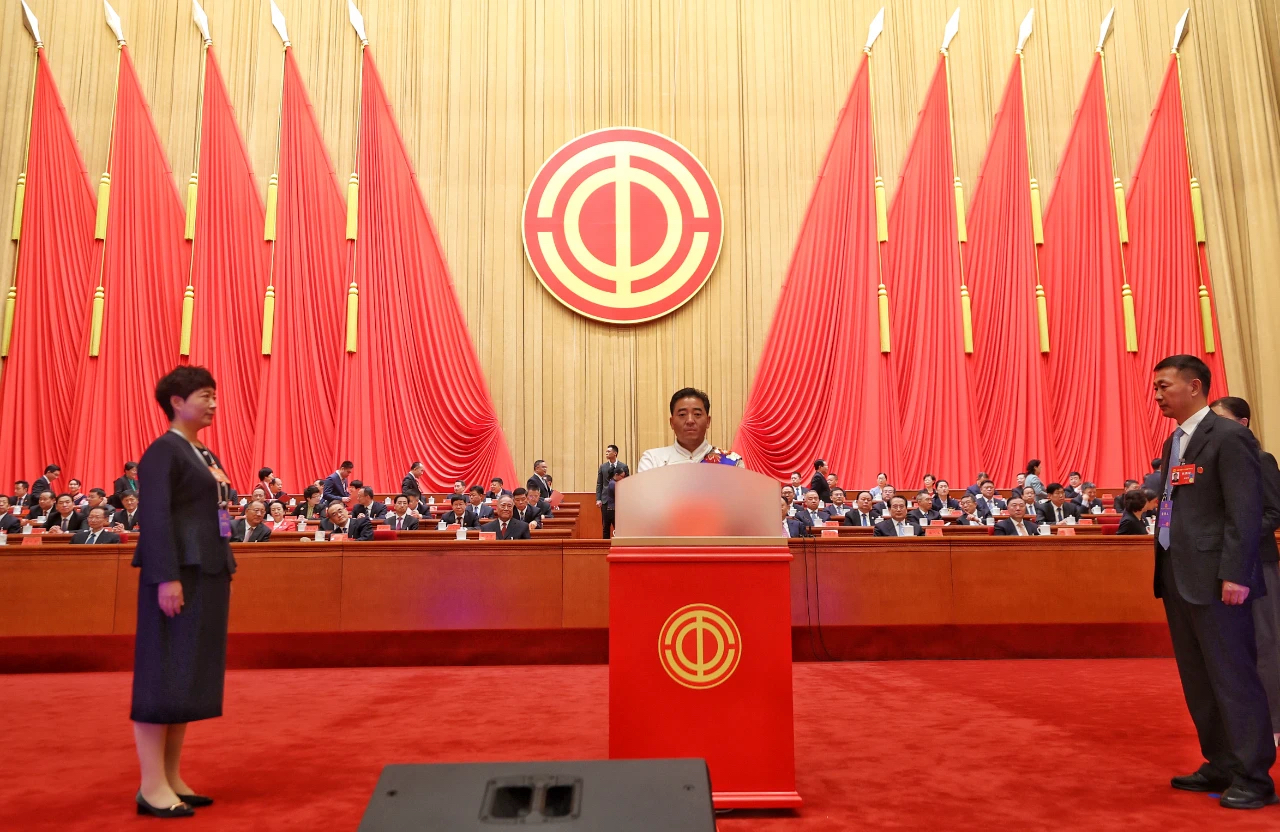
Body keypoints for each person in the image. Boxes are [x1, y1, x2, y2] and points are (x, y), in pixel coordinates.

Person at [1150, 355, 1275, 808]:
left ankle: (1254, 776)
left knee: (1233, 678)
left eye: (1164, 386)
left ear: (1195, 386)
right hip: (1179, 576)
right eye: (1156, 388)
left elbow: (1244, 511)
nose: (1158, 395)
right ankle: (1221, 762)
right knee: (1199, 680)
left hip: (1219, 581)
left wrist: (1236, 574)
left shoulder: (1228, 436)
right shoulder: (1175, 441)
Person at [129, 366, 235, 817]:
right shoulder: (162, 452)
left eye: (214, 395)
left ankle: (171, 776)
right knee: (163, 674)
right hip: (177, 575)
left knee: (186, 675)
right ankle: (151, 785)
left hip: (205, 570)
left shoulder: (202, 451)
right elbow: (154, 519)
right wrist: (166, 577)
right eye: (205, 395)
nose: (213, 403)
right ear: (177, 401)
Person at [1211, 396, 1280, 748]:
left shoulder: (1261, 459)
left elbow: (1274, 513)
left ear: (1243, 423)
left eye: (1220, 419)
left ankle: (1275, 722)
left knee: (1266, 643)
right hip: (1220, 565)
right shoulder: (1213, 462)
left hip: (1257, 562)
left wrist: (1237, 538)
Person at [637, 388, 742, 471]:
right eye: (682, 414)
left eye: (697, 414)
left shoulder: (732, 461)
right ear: (672, 422)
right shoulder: (653, 460)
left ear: (708, 421)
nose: (690, 420)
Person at [602, 469, 625, 537]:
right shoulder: (613, 484)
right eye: (621, 476)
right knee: (618, 529)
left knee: (608, 529)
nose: (622, 478)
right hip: (613, 510)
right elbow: (619, 496)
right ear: (616, 475)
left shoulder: (612, 482)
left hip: (611, 509)